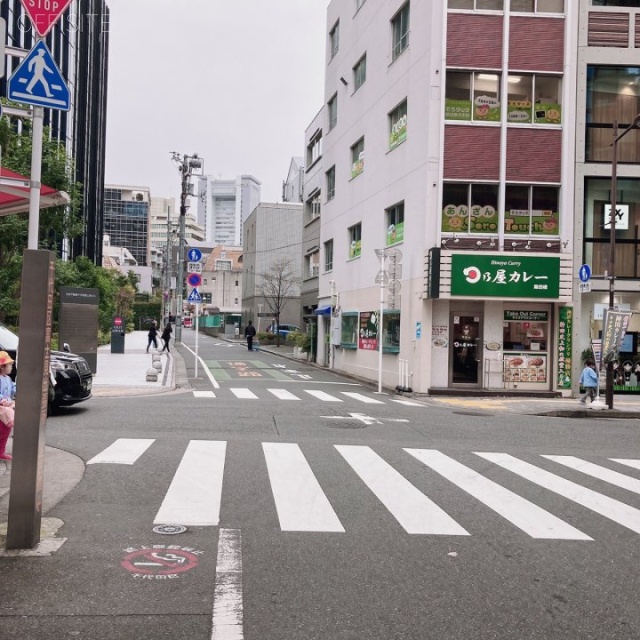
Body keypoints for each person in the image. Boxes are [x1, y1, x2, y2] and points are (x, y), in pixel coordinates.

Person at [0, 351, 16, 461]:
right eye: (9, 365)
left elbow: (13, 390)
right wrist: (2, 400)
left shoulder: (8, 379)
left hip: (7, 409)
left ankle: (1, 452)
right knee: (2, 431)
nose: (11, 367)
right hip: (2, 408)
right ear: (2, 367)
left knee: (6, 432)